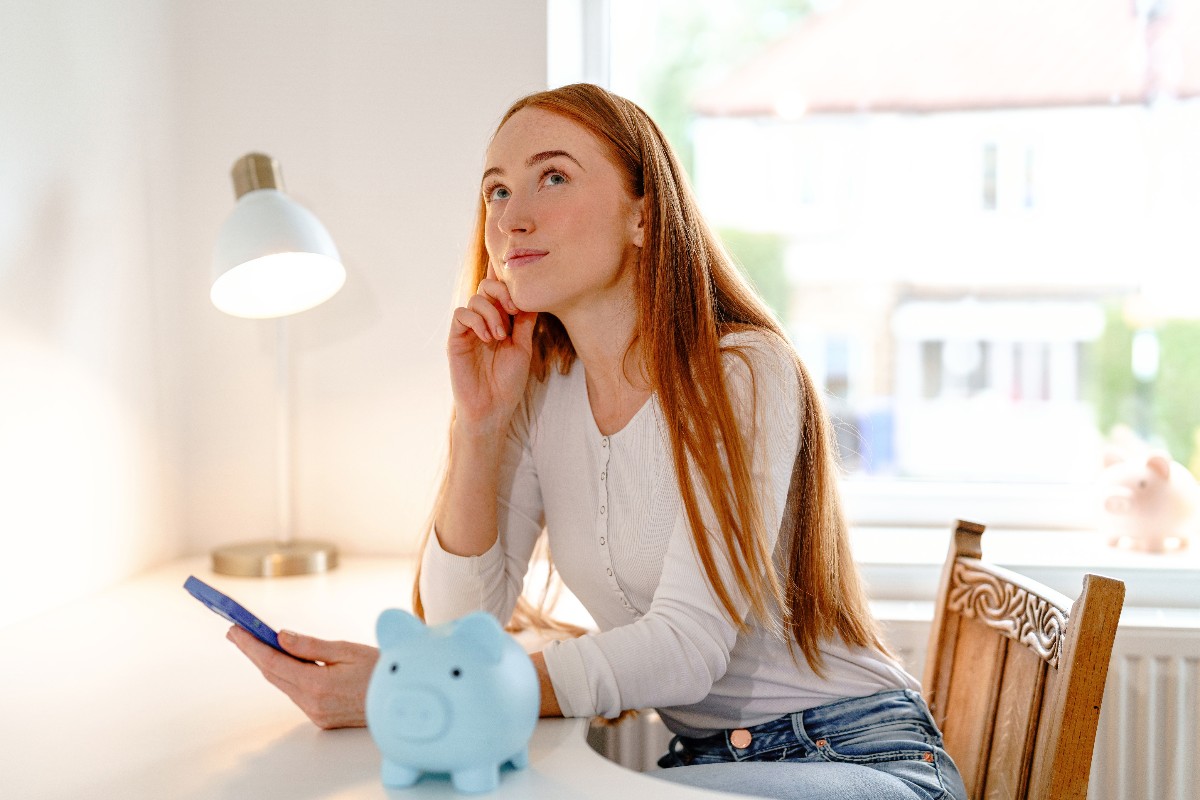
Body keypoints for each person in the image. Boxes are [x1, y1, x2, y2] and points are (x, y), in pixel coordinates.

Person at [229, 83, 967, 800]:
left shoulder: (742, 373)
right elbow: (461, 631)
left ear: (642, 217)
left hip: (860, 757)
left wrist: (428, 691)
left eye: (552, 177)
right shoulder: (541, 390)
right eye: (497, 191)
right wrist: (480, 428)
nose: (512, 218)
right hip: (709, 763)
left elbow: (684, 648)